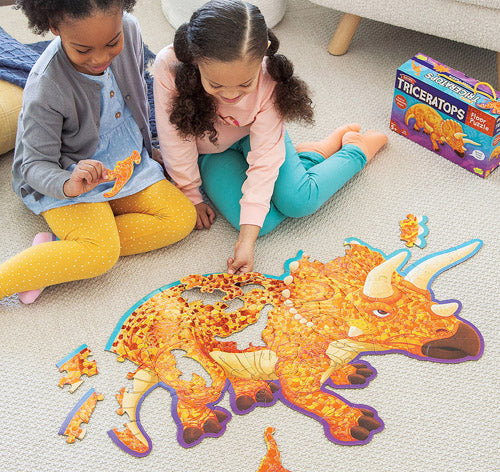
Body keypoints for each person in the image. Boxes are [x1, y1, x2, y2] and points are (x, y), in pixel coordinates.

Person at [154, 0, 387, 275]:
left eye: (244, 84)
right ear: (194, 59)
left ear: (263, 52)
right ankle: (309, 156)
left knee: (300, 201)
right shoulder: (169, 65)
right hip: (211, 151)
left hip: (256, 138)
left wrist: (246, 241)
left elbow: (264, 159)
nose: (230, 95)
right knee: (262, 223)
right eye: (216, 85)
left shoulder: (269, 77)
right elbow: (174, 137)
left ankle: (356, 150)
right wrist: (190, 192)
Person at [0, 0, 196, 304]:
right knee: (101, 255)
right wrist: (68, 183)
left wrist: (149, 148)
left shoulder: (129, 28)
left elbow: (138, 96)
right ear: (54, 27)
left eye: (112, 43)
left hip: (125, 160)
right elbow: (34, 164)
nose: (101, 58)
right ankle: (78, 249)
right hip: (64, 176)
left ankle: (63, 247)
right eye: (83, 50)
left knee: (181, 218)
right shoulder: (45, 86)